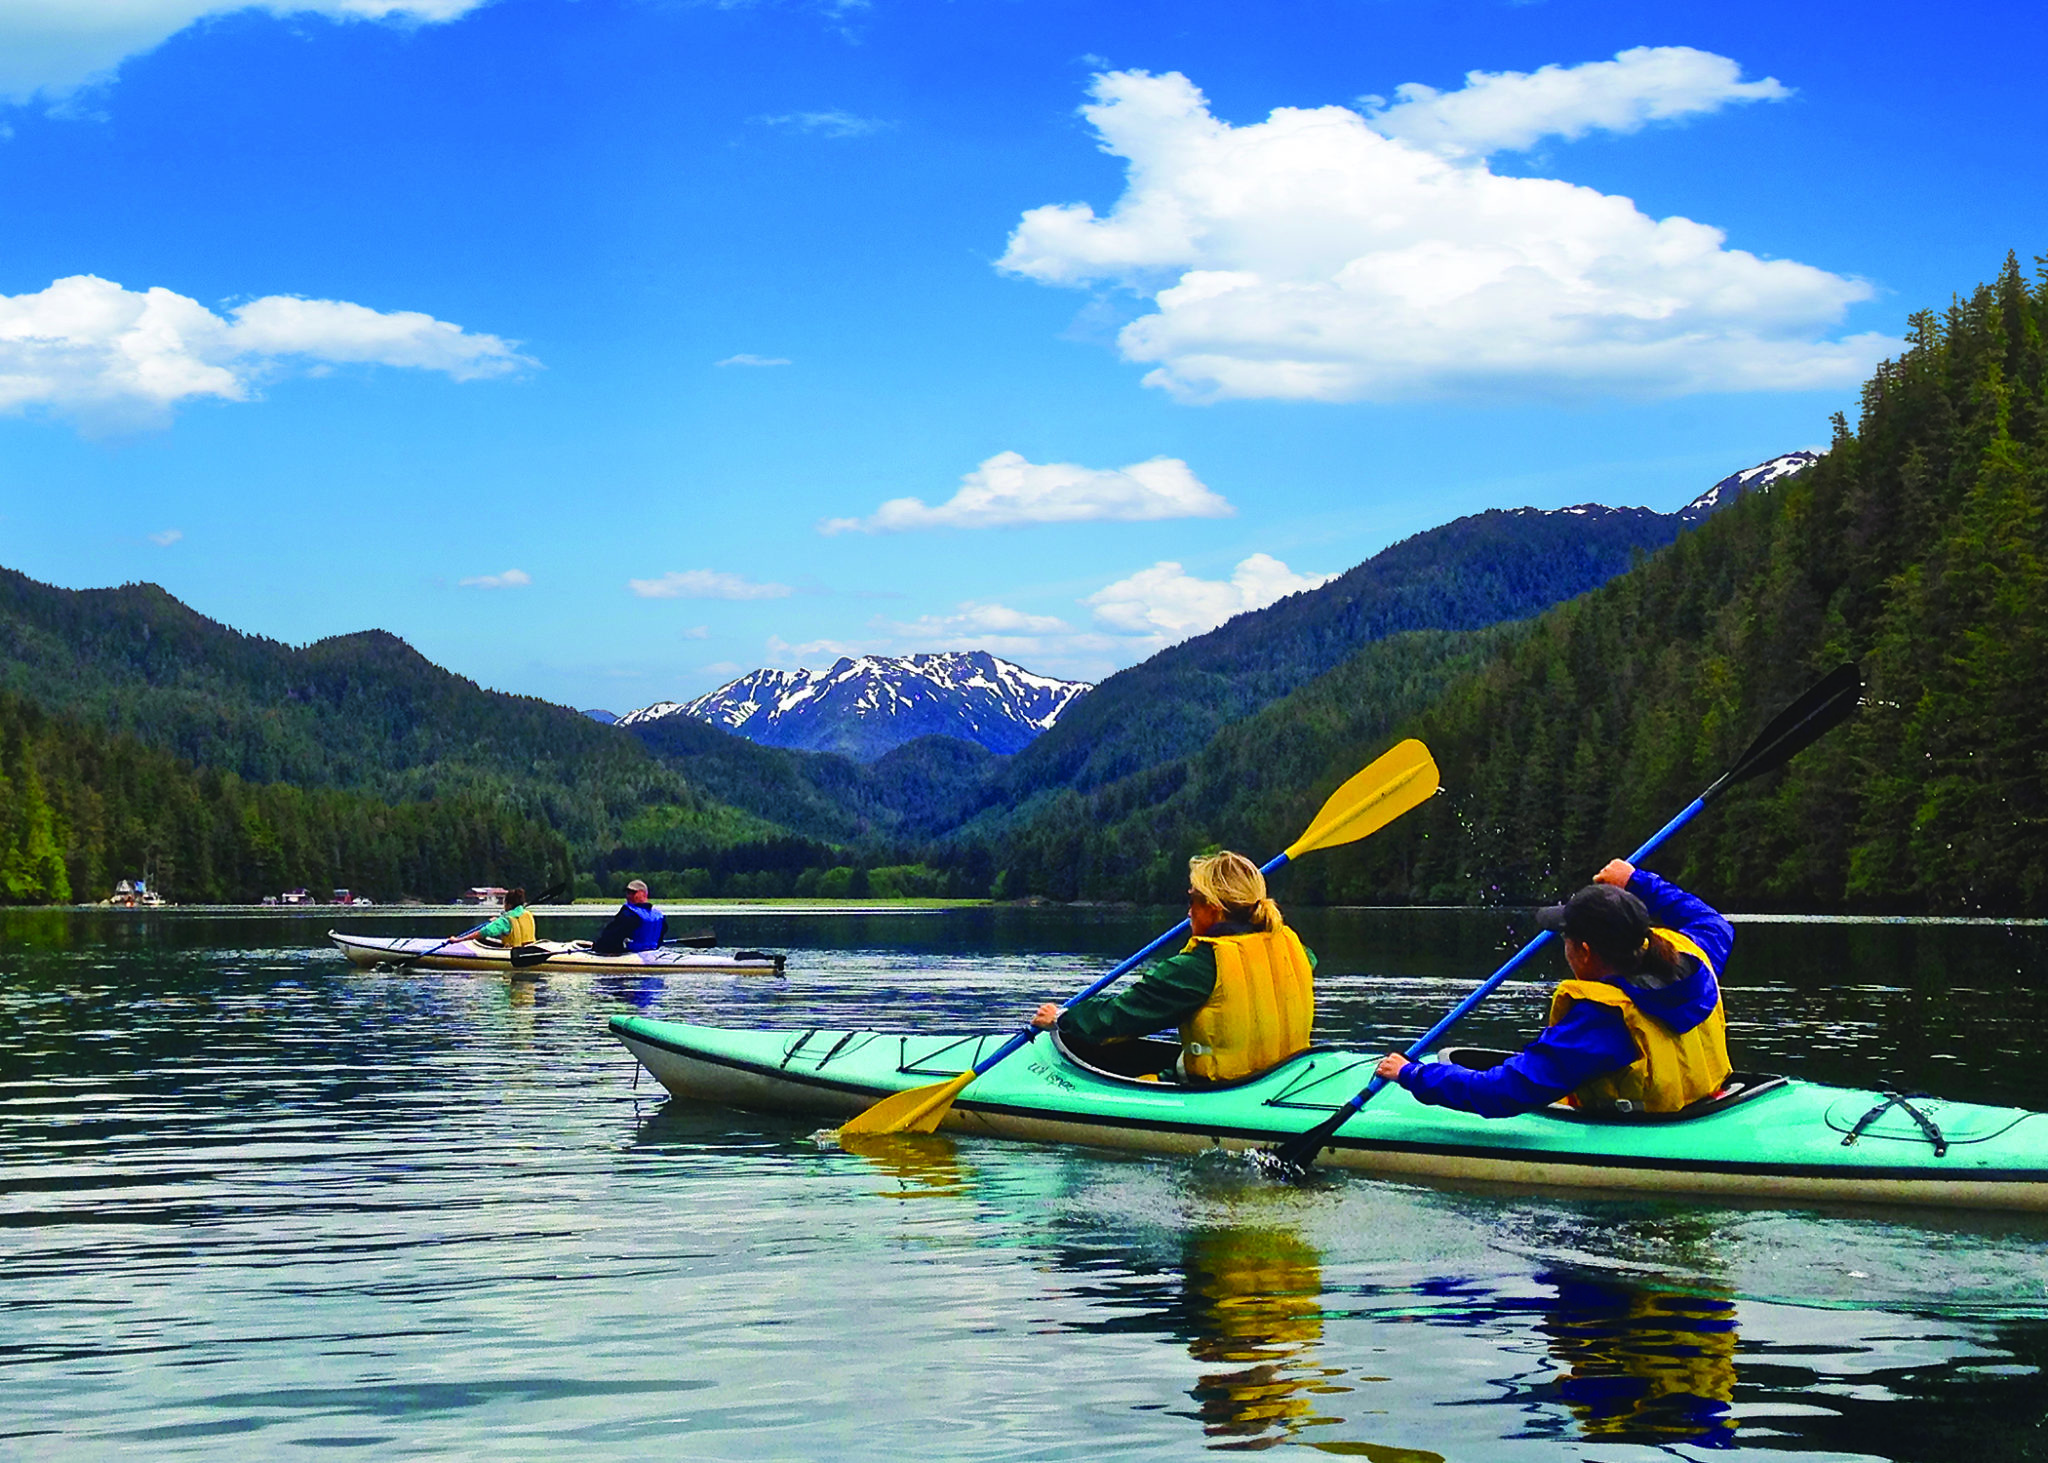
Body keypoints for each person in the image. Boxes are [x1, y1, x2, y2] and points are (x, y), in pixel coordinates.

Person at [1375, 859, 1732, 1117]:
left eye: (1565, 937)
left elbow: (1502, 1092)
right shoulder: (1693, 961)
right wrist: (1636, 881)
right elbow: (1709, 921)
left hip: (1647, 1130)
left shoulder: (1603, 1021)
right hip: (1705, 1106)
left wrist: (1413, 1074)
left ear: (1585, 952)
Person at [1029, 851, 1317, 1084]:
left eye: (1192, 900)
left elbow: (1119, 1017)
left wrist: (1063, 1018)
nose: (1188, 911)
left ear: (1214, 908)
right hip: (1283, 1081)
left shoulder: (1199, 967)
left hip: (1218, 1090)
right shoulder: (1296, 950)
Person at [593, 878, 666, 955]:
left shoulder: (629, 914)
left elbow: (611, 937)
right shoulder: (659, 915)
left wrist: (597, 948)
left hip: (634, 955)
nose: (629, 896)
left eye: (633, 893)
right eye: (628, 893)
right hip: (652, 954)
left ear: (644, 894)